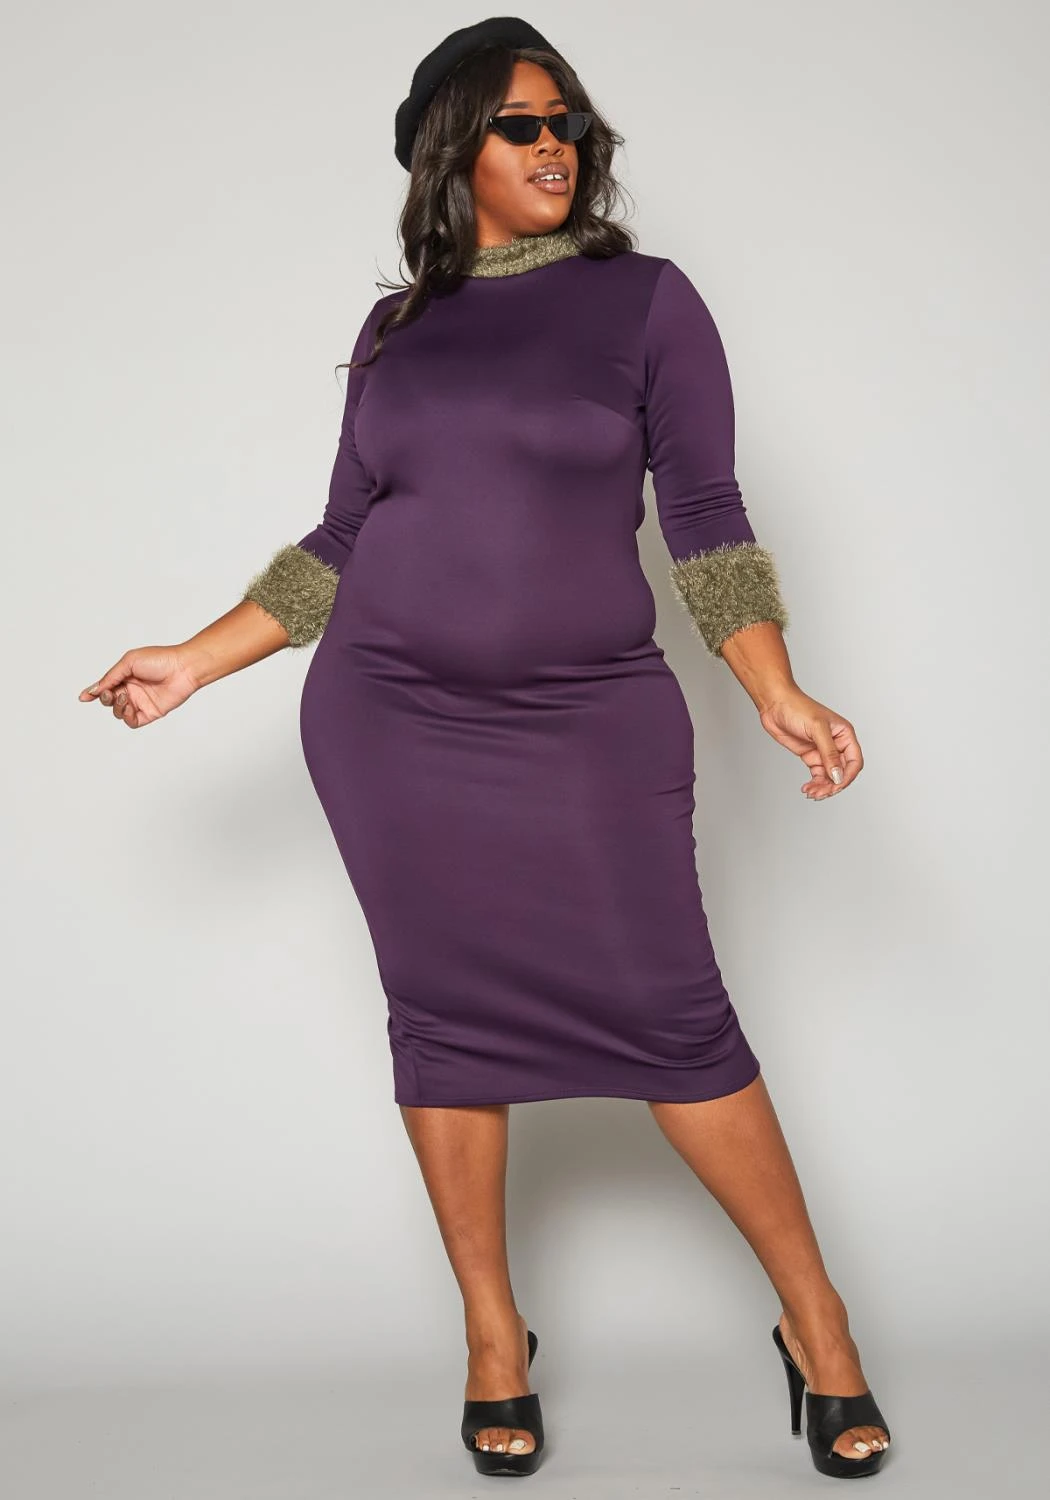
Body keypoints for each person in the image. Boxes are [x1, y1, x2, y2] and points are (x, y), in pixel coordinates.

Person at [78, 16, 892, 1482]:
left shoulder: (646, 301)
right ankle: (491, 1335)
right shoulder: (398, 329)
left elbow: (705, 512)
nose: (554, 144)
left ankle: (816, 1321)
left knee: (677, 1019)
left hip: (590, 720)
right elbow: (343, 536)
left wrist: (774, 685)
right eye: (521, 124)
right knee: (444, 1019)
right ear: (452, 151)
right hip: (389, 722)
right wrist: (194, 660)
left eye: (566, 121)